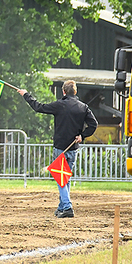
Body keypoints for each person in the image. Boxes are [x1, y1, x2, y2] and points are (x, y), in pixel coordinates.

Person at [17, 80, 98, 218]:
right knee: (65, 178)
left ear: (64, 91)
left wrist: (26, 95)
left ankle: (67, 207)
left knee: (61, 178)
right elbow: (94, 124)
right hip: (73, 148)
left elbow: (38, 107)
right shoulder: (83, 107)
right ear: (75, 92)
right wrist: (82, 136)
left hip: (60, 147)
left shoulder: (59, 105)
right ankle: (62, 206)